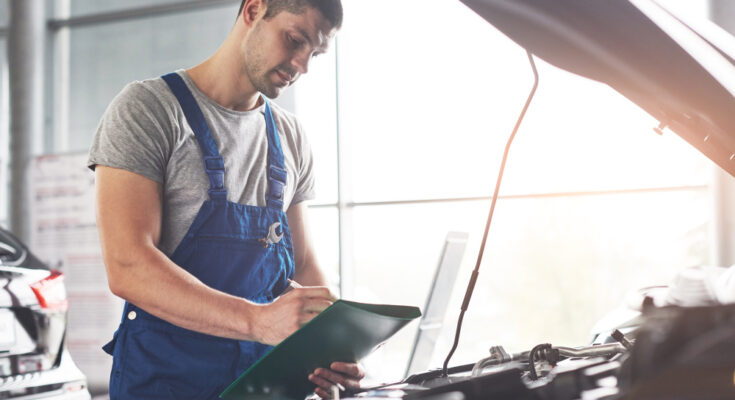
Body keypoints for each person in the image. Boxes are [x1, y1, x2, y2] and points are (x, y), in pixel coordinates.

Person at [88, 0, 364, 398]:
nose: (301, 65)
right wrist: (256, 321)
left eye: (314, 53)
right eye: (294, 40)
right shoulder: (148, 110)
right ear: (253, 10)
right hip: (164, 386)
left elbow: (303, 264)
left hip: (262, 387)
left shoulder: (291, 136)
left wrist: (337, 347)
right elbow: (128, 265)